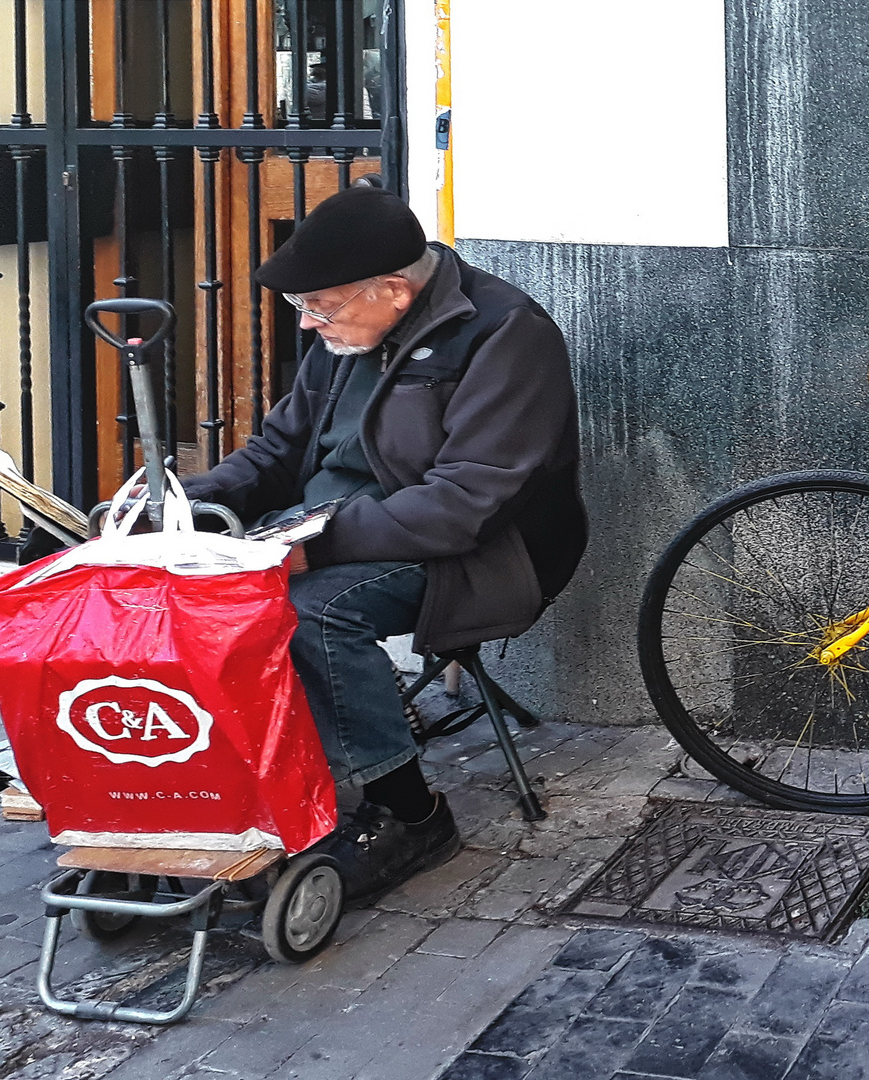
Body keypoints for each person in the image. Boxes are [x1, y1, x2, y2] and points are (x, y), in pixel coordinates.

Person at [183, 186, 586, 906]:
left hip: (484, 554)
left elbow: (466, 504)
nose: (309, 326)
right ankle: (266, 783)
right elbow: (281, 446)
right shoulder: (349, 331)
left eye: (321, 309)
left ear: (395, 291)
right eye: (301, 309)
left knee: (315, 608)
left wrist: (317, 544)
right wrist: (197, 501)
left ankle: (410, 814)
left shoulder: (505, 333)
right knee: (209, 591)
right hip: (340, 525)